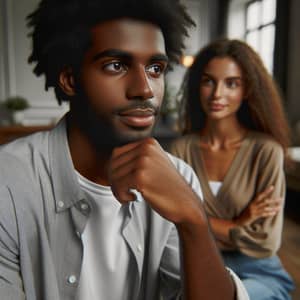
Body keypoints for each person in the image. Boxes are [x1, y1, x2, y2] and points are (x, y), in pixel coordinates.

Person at [0, 1, 250, 300]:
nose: (144, 89)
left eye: (155, 68)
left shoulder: (179, 176)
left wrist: (194, 220)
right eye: (116, 66)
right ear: (69, 80)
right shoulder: (9, 183)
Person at [169, 38, 295, 299]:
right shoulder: (181, 150)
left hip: (258, 273)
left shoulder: (266, 151)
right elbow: (169, 227)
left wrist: (196, 222)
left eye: (232, 83)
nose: (217, 94)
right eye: (208, 81)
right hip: (194, 266)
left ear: (246, 90)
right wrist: (238, 224)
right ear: (197, 86)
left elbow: (265, 241)